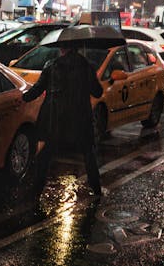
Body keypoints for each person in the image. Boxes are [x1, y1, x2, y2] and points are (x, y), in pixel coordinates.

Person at [22, 45, 104, 195]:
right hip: (80, 119)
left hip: (56, 118)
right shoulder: (87, 67)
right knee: (88, 153)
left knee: (46, 153)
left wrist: (22, 97)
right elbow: (98, 92)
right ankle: (96, 188)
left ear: (61, 49)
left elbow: (37, 89)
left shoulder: (51, 66)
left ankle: (36, 189)